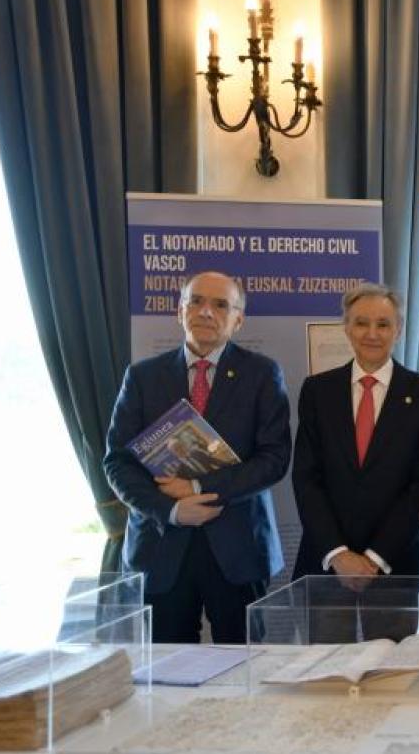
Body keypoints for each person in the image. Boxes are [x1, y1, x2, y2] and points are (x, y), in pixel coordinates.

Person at [104, 271, 290, 643]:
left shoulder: (263, 374)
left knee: (242, 663)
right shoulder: (141, 377)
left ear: (238, 320)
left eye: (221, 305)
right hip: (160, 545)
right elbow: (118, 463)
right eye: (197, 301)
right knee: (170, 667)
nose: (206, 311)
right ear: (180, 311)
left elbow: (273, 460)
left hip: (239, 548)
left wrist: (197, 488)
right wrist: (171, 509)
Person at [290, 283, 419, 641]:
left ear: (399, 329)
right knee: (327, 671)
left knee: (391, 671)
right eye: (361, 323)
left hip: (394, 568)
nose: (372, 334)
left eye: (383, 324)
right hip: (327, 567)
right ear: (346, 327)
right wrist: (339, 554)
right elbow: (307, 479)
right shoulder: (317, 391)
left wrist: (375, 557)